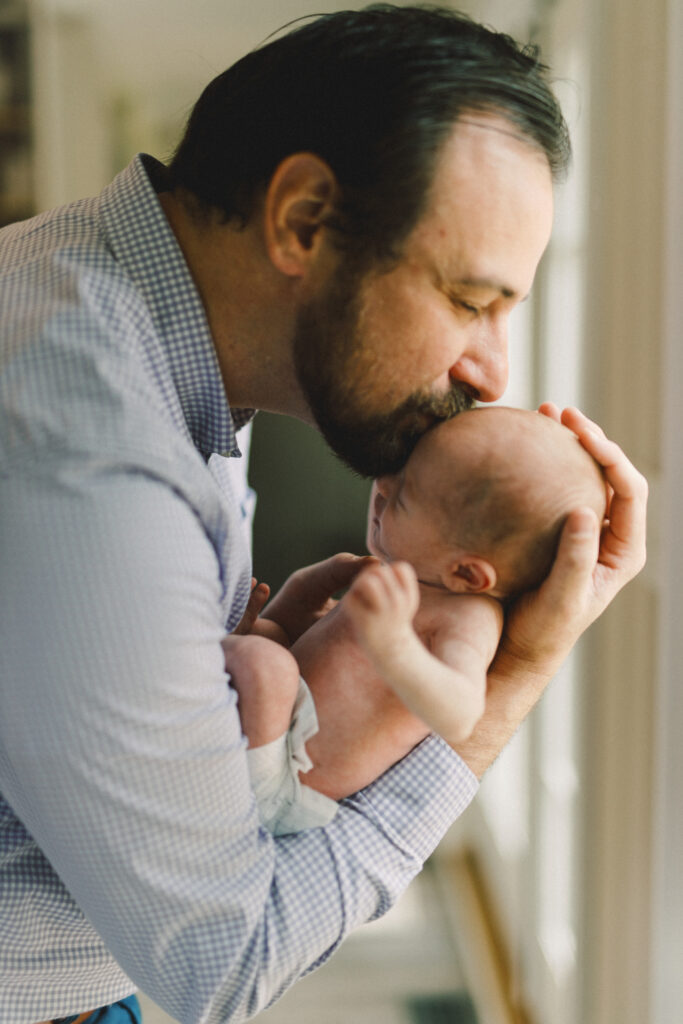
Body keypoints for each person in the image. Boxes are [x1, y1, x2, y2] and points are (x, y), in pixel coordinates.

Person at [0, 6, 646, 1024]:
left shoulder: (158, 322)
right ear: (303, 219)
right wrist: (517, 671)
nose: (492, 370)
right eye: (469, 299)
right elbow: (228, 962)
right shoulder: (91, 447)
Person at [223, 406, 608, 834]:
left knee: (264, 666)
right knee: (267, 642)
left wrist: (394, 647)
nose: (384, 484)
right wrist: (296, 600)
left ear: (466, 573)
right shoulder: (416, 572)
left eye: (403, 496)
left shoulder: (470, 620)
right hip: (279, 727)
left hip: (287, 783)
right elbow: (318, 655)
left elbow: (460, 713)